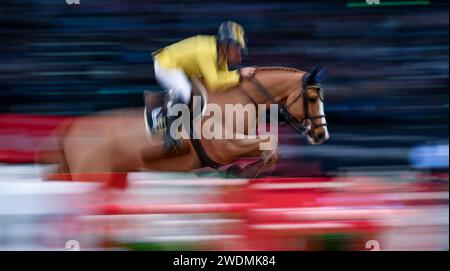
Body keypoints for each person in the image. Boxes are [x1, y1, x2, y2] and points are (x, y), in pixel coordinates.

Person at [148, 21, 256, 155]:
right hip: (165, 66)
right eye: (237, 48)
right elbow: (216, 83)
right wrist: (239, 74)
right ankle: (169, 135)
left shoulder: (221, 55)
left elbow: (223, 82)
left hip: (180, 68)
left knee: (198, 91)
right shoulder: (206, 52)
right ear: (226, 44)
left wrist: (237, 77)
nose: (239, 55)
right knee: (185, 91)